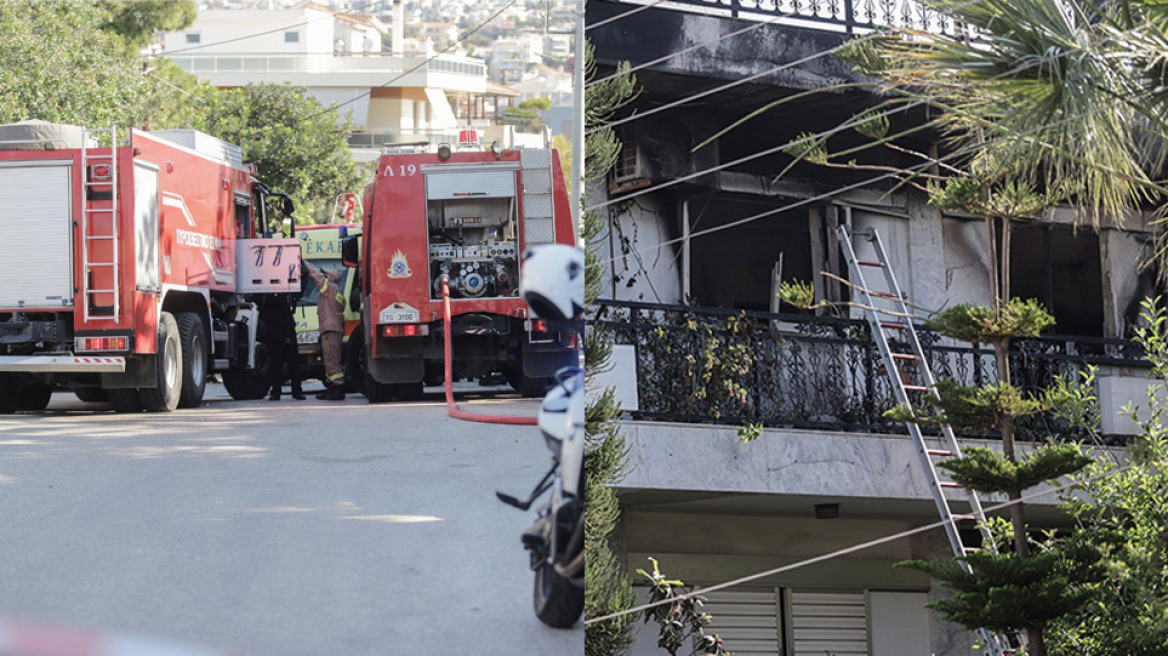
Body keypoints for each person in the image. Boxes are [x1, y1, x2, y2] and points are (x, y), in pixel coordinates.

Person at [304, 259, 347, 400]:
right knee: (332, 359)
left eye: (326, 274)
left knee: (332, 361)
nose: (324, 276)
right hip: (334, 329)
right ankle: (332, 388)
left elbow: (316, 275)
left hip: (329, 329)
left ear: (330, 278)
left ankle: (337, 388)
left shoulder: (328, 288)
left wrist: (304, 262)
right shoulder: (339, 292)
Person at [257, 292, 305, 401]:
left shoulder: (268, 300)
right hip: (281, 334)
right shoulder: (282, 299)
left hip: (277, 335)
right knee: (290, 364)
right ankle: (295, 391)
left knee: (277, 365)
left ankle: (277, 392)